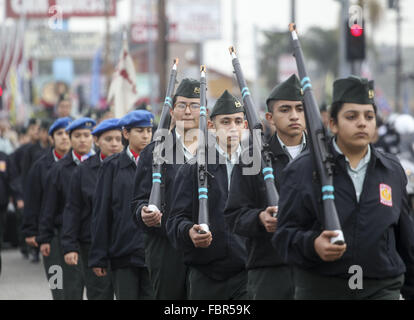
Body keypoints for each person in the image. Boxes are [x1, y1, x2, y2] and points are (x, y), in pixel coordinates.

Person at [273, 75, 414, 300]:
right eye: (351, 116)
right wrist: (313, 245)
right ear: (333, 123)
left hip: (381, 288)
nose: (362, 122)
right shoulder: (302, 169)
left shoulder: (391, 169)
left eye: (369, 116)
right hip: (321, 289)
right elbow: (283, 237)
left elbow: (406, 239)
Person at [224, 74, 307, 300]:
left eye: (300, 109)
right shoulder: (252, 159)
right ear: (270, 117)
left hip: (314, 269)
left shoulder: (324, 157)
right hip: (269, 269)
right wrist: (260, 218)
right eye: (285, 110)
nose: (294, 116)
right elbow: (234, 215)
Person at [167, 90, 248, 299]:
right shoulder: (193, 168)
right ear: (212, 126)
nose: (233, 128)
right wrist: (188, 232)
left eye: (238, 121)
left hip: (247, 274)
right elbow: (175, 220)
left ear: (245, 126)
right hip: (206, 275)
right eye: (226, 122)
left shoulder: (255, 167)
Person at [131, 78, 201, 299]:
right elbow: (138, 201)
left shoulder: (216, 151)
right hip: (166, 246)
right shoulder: (153, 152)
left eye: (195, 105)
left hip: (208, 246)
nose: (188, 111)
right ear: (172, 110)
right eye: (182, 105)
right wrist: (143, 212)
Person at [89, 110, 154, 300]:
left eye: (149, 131)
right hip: (123, 251)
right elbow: (101, 212)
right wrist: (98, 255)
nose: (145, 136)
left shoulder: (160, 164)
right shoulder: (112, 166)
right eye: (139, 130)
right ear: (126, 133)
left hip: (151, 251)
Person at [62, 118, 123, 300]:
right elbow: (72, 209)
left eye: (118, 139)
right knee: (99, 293)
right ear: (97, 141)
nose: (114, 144)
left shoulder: (130, 167)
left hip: (124, 243)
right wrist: (69, 246)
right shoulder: (83, 171)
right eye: (108, 139)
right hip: (93, 243)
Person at [38, 117, 96, 300]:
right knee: (70, 286)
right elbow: (49, 205)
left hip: (95, 235)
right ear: (71, 139)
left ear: (93, 138)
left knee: (99, 289)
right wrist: (45, 237)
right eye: (77, 136)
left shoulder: (102, 165)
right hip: (66, 234)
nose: (82, 140)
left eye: (87, 135)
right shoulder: (59, 169)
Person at [22, 117, 72, 298]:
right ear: (51, 138)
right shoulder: (40, 166)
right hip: (51, 233)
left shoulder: (81, 165)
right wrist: (30, 230)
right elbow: (32, 200)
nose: (65, 138)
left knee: (74, 285)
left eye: (68, 133)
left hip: (76, 233)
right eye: (59, 134)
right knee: (57, 281)